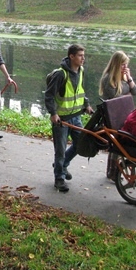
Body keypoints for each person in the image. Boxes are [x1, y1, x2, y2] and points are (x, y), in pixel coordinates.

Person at [44, 44, 94, 193]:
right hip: (62, 119)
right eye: (80, 56)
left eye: (84, 56)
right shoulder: (61, 74)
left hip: (76, 116)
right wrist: (53, 114)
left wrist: (86, 105)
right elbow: (49, 95)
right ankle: (59, 178)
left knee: (80, 145)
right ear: (71, 56)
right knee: (60, 149)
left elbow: (80, 91)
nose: (83, 58)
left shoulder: (81, 71)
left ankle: (63, 164)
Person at [99, 50, 136, 181]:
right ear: (116, 64)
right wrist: (127, 96)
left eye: (126, 65)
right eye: (123, 65)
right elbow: (114, 97)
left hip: (123, 115)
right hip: (111, 116)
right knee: (115, 143)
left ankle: (117, 170)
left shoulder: (124, 78)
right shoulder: (108, 79)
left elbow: (135, 91)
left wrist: (129, 78)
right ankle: (112, 171)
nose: (125, 68)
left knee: (122, 142)